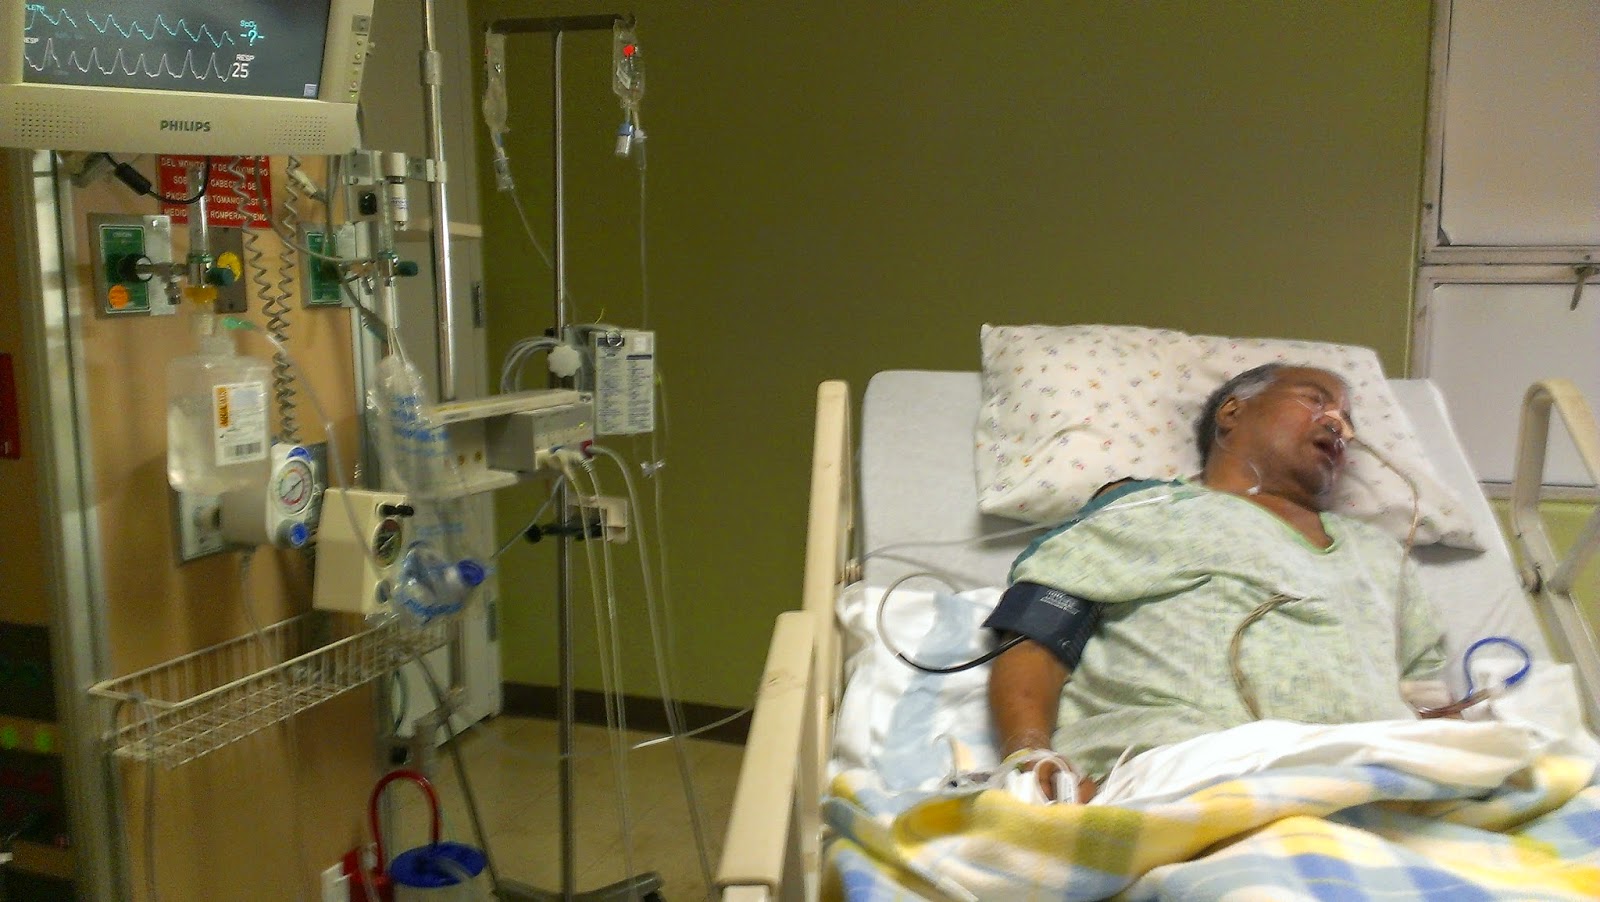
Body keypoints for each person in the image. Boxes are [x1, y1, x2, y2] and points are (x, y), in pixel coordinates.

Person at [984, 363, 1448, 800]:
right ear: (1232, 411)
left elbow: (1425, 694)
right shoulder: (1147, 509)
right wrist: (1030, 754)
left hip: (1381, 786)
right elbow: (1038, 632)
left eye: (1347, 420)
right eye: (1315, 400)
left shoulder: (1381, 553)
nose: (1338, 426)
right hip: (1184, 777)